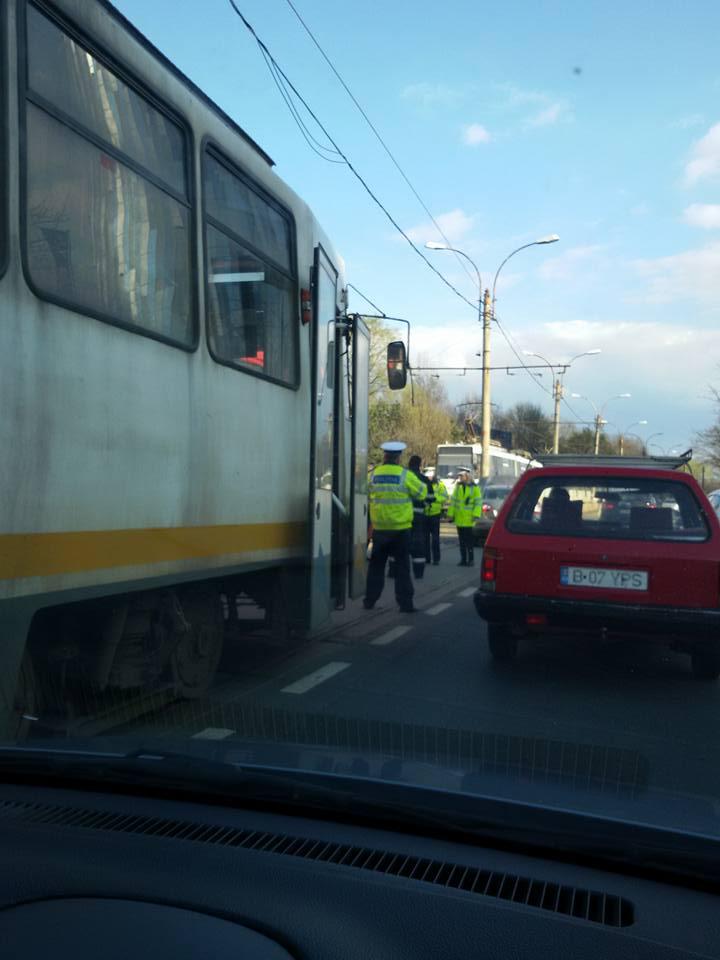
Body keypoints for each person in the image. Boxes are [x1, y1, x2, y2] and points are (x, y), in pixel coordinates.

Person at [364, 441, 427, 613]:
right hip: (400, 530)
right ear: (398, 458)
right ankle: (405, 604)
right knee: (402, 568)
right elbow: (421, 493)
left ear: (385, 456)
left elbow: (364, 492)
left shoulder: (373, 474)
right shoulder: (405, 475)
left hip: (380, 530)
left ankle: (369, 600)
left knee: (376, 567)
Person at [448, 470, 482, 566]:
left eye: (462, 476)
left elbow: (478, 502)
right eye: (459, 476)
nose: (460, 478)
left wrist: (476, 515)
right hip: (459, 519)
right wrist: (450, 514)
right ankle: (463, 560)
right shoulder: (458, 487)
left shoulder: (474, 488)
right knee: (462, 542)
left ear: (467, 476)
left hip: (469, 519)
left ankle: (471, 560)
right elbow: (453, 502)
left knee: (469, 542)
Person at [407, 455, 433, 579]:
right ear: (419, 465)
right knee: (418, 543)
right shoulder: (424, 479)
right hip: (419, 515)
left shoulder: (404, 476)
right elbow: (431, 498)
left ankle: (393, 570)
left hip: (404, 515)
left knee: (400, 542)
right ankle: (419, 572)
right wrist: (423, 504)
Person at [424, 474, 449, 565]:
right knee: (425, 538)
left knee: (435, 538)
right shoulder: (423, 484)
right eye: (428, 476)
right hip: (425, 513)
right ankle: (427, 558)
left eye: (430, 476)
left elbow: (445, 497)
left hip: (435, 513)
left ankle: (436, 559)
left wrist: (435, 499)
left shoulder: (440, 485)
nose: (429, 478)